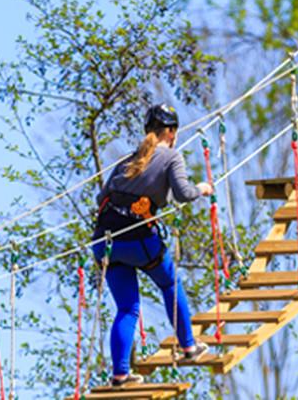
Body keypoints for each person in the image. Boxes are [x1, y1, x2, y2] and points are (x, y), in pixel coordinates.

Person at [92, 104, 213, 386]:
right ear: (171, 132)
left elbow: (102, 199)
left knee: (127, 308)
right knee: (170, 285)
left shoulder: (128, 160)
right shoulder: (171, 157)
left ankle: (120, 374)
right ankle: (188, 347)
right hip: (139, 242)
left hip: (105, 243)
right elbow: (183, 194)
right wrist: (201, 189)